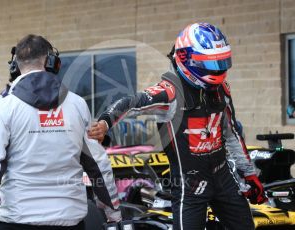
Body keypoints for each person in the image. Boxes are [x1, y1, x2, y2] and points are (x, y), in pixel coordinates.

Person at [88, 22, 267, 230]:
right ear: (185, 58)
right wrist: (105, 122)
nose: (217, 70)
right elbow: (130, 102)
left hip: (223, 177)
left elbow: (232, 133)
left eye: (221, 62)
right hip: (188, 186)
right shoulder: (170, 93)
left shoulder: (222, 89)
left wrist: (249, 173)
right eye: (210, 64)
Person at [0, 34, 120, 230]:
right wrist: (114, 215)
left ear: (15, 66)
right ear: (52, 62)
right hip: (68, 221)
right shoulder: (77, 105)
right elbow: (98, 165)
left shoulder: (4, 107)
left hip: (18, 221)